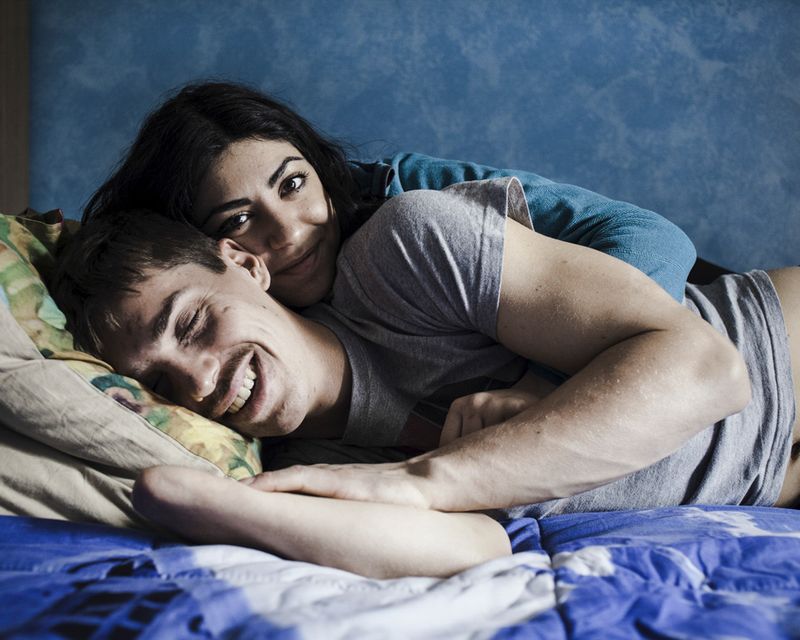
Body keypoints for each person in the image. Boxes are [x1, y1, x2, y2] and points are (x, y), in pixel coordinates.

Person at [53, 177, 784, 578]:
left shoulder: (405, 252)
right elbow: (480, 549)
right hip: (769, 486)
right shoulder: (306, 467)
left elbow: (705, 367)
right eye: (159, 383)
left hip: (780, 352)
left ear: (246, 265)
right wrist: (205, 503)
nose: (200, 382)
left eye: (191, 326)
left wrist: (425, 480)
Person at [84, 81, 696, 311]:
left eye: (293, 184)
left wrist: (552, 384)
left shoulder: (412, 197)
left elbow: (655, 238)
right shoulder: (232, 327)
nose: (289, 232)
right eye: (240, 219)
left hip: (688, 321)